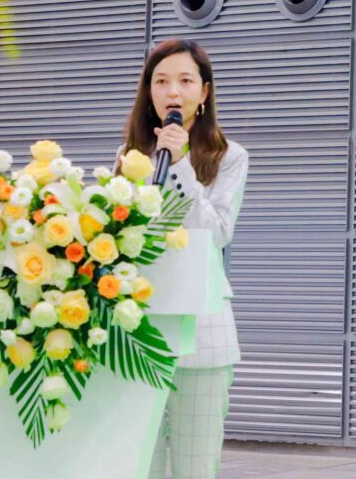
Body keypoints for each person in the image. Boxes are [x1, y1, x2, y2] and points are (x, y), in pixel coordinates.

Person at [116, 38, 248, 478]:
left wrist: (179, 165)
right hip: (137, 332)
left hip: (202, 334)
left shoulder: (229, 157)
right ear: (148, 92)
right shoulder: (128, 157)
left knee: (195, 468)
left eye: (185, 81)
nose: (173, 91)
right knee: (140, 467)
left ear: (204, 92)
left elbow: (216, 233)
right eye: (161, 81)